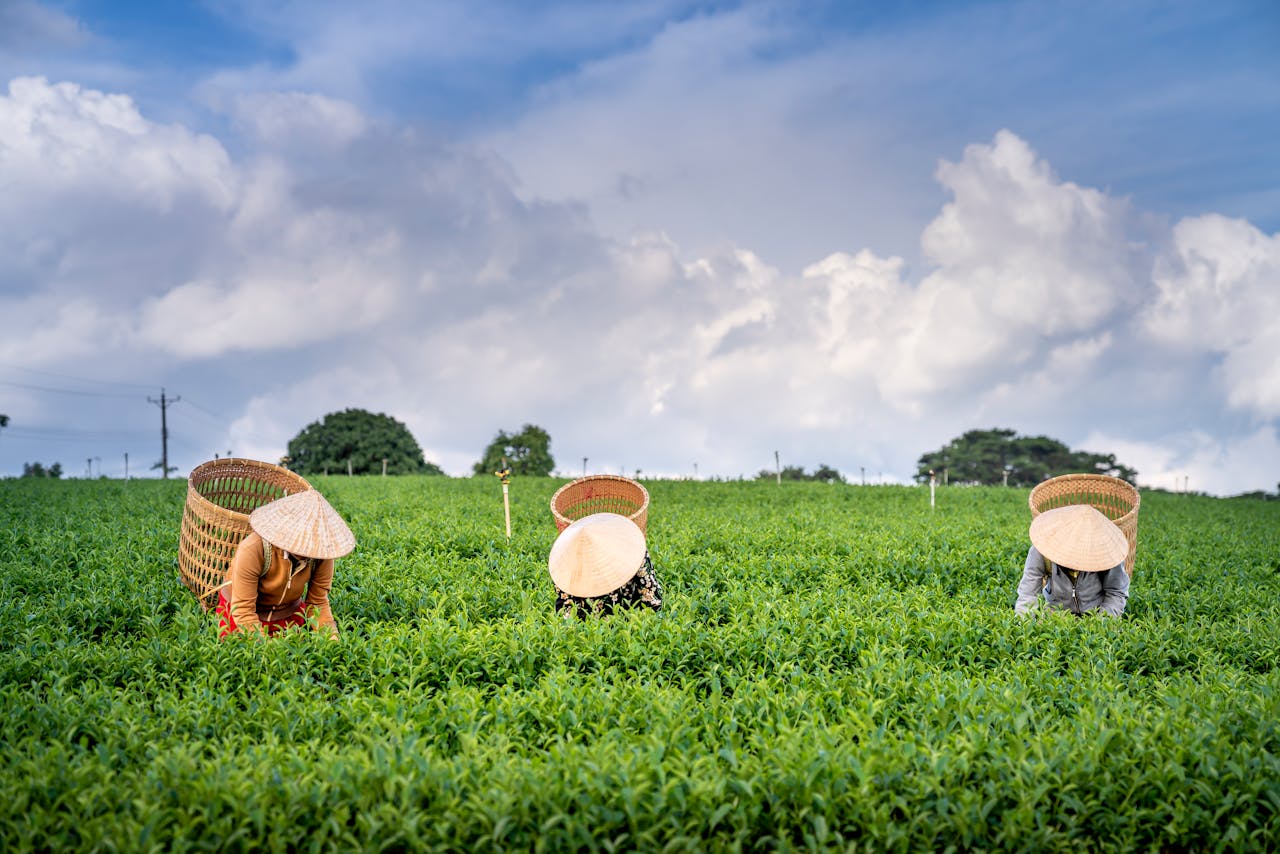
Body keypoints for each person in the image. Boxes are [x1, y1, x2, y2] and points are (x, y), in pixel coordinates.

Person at [217, 489, 355, 638]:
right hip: (241, 613)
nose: (306, 549)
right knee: (240, 648)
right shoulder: (253, 549)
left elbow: (318, 603)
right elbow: (243, 610)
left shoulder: (322, 552)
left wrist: (331, 639)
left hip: (287, 613)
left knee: (298, 647)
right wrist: (264, 649)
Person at [1015, 504, 1129, 617]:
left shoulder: (1107, 552)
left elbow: (1116, 592)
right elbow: (1028, 592)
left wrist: (1102, 624)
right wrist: (1023, 624)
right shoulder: (1042, 549)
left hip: (1095, 613)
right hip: (1056, 613)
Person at [548, 513, 663, 618]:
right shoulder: (565, 562)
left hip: (626, 619)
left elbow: (651, 597)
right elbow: (567, 607)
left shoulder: (634, 551)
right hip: (590, 625)